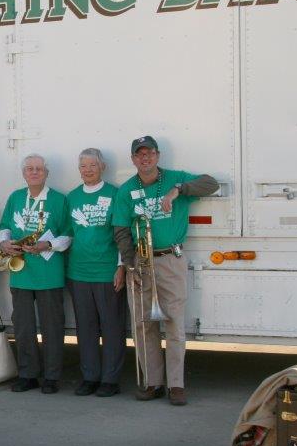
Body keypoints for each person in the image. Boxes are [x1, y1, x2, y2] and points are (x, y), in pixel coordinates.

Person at [112, 135, 219, 406]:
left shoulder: (175, 178)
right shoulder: (126, 190)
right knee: (143, 324)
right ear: (133, 159)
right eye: (139, 154)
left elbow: (211, 183)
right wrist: (129, 262)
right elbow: (121, 230)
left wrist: (179, 190)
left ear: (157, 156)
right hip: (141, 261)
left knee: (173, 322)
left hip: (170, 259)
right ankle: (152, 382)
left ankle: (176, 385)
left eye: (149, 153)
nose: (144, 158)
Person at [0, 154, 72, 394]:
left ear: (46, 173)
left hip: (49, 273)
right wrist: (4, 243)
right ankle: (27, 374)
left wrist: (47, 246)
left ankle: (51, 377)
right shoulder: (15, 197)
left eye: (39, 169)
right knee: (23, 326)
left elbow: (68, 235)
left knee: (52, 327)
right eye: (29, 168)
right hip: (21, 272)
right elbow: (5, 226)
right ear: (23, 173)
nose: (34, 172)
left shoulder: (59, 200)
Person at [66, 148, 125, 397]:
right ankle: (89, 377)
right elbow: (67, 234)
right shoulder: (72, 197)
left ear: (102, 167)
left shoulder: (114, 194)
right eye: (83, 166)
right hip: (78, 273)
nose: (87, 170)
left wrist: (121, 267)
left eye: (92, 165)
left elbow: (123, 234)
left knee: (112, 328)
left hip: (106, 272)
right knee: (86, 328)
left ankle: (110, 379)